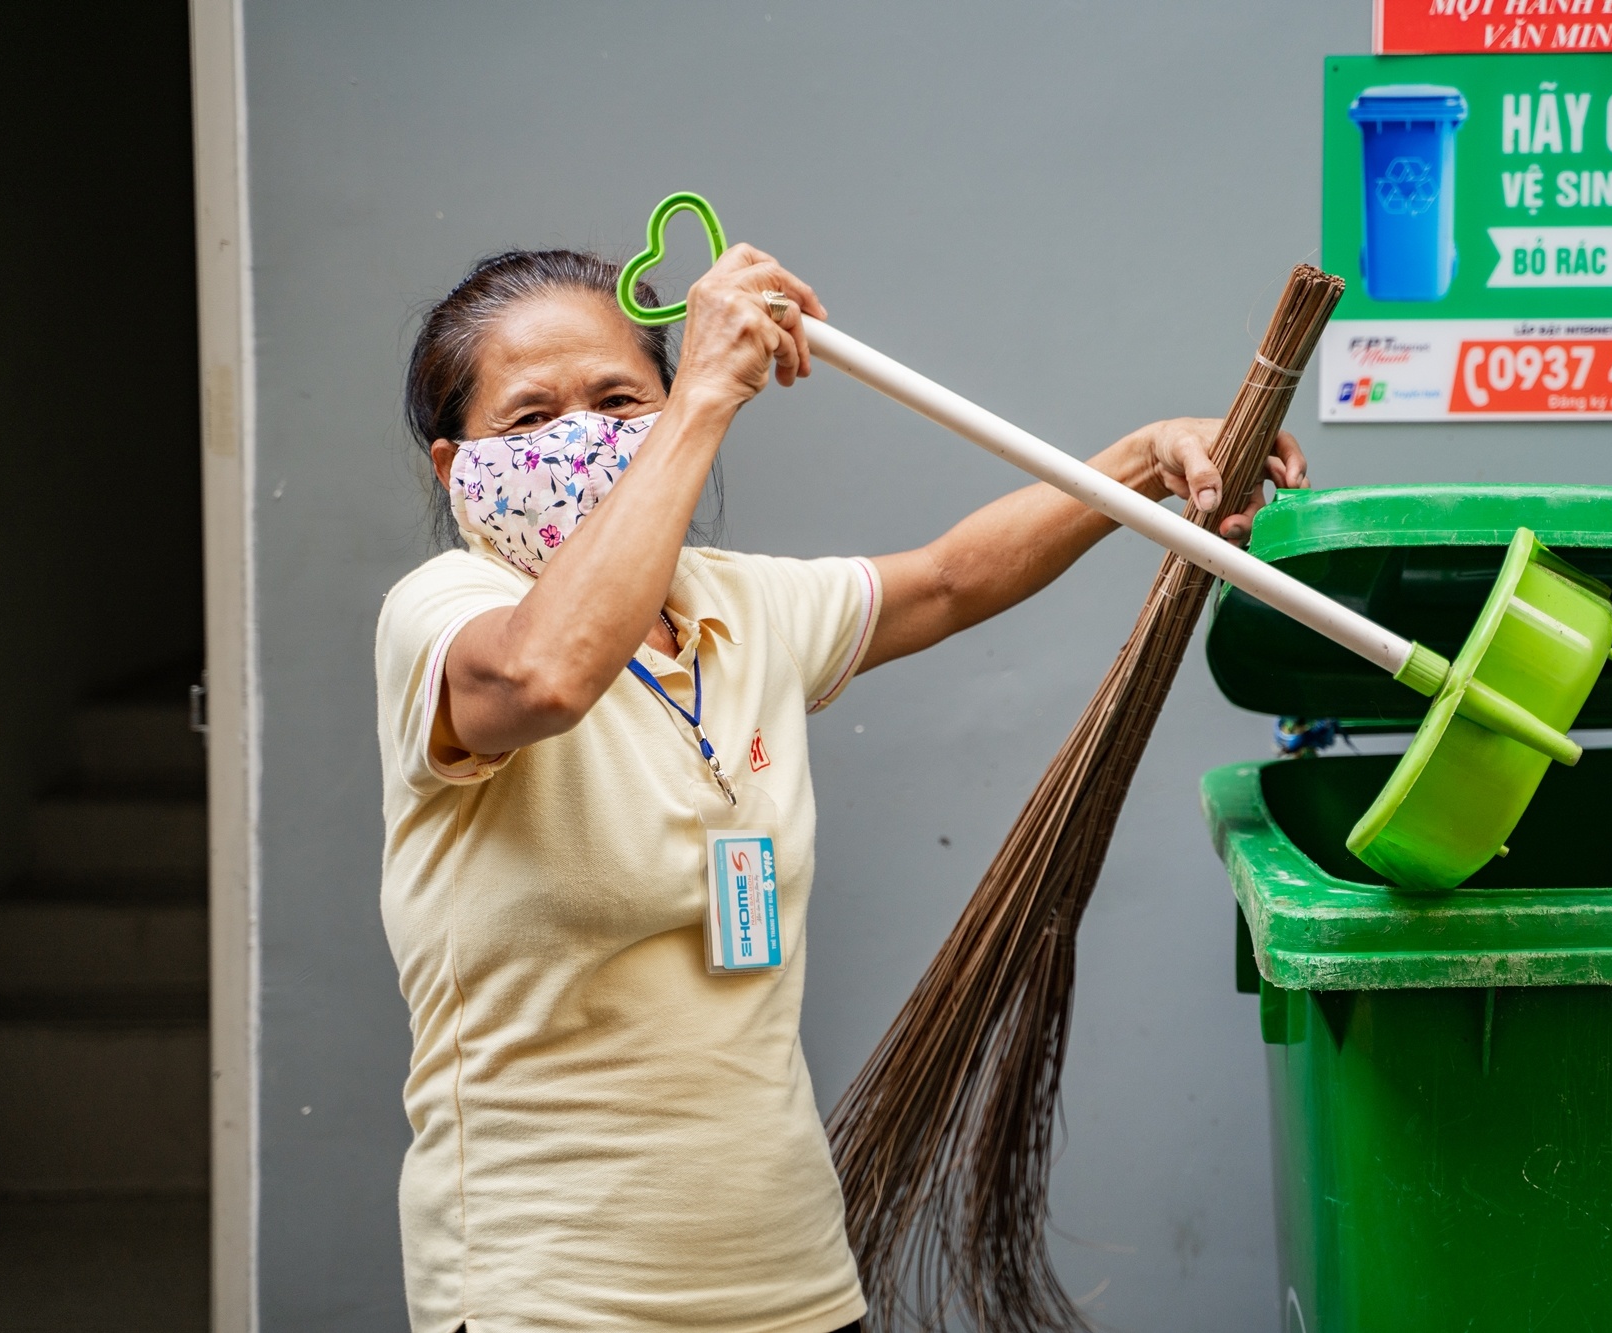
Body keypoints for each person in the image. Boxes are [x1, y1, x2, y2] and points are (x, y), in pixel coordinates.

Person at [374, 240, 1306, 1333]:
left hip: (792, 1280)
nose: (581, 436)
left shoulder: (736, 606)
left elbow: (949, 579)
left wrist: (1147, 461)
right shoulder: (445, 613)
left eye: (619, 400)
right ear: (455, 465)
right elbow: (546, 675)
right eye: (531, 416)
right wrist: (701, 398)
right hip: (551, 1295)